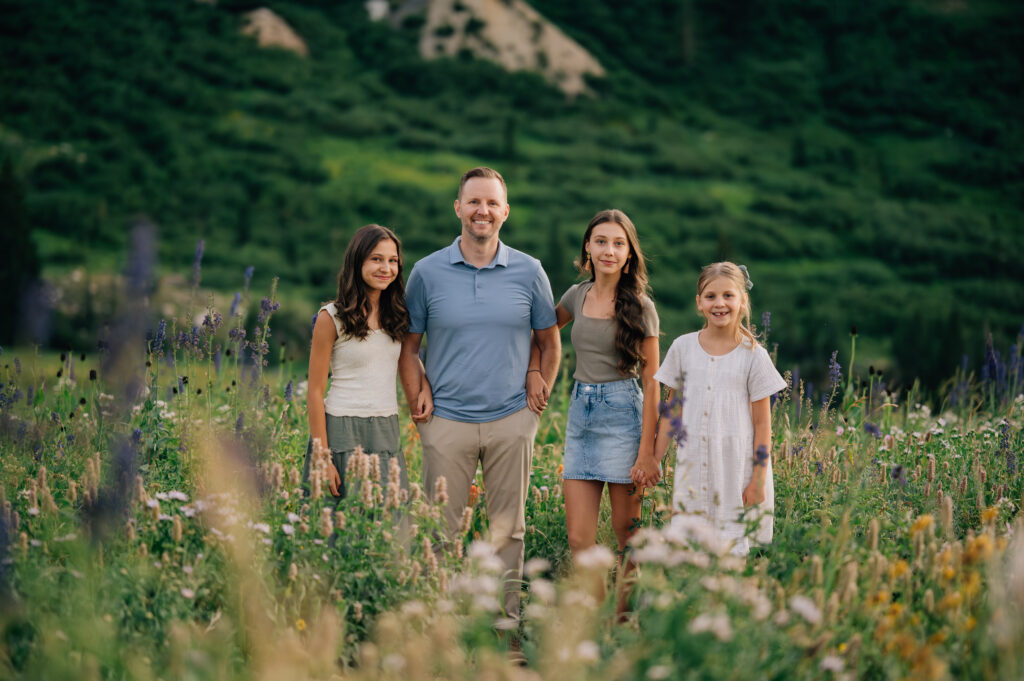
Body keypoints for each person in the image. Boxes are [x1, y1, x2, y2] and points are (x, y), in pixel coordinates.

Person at [399, 167, 560, 622]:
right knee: (439, 530)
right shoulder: (426, 273)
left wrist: (535, 388)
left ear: (505, 211)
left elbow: (549, 341)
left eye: (491, 203)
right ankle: (441, 625)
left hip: (512, 418)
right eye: (473, 202)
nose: (482, 211)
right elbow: (408, 348)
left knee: (509, 532)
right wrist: (418, 396)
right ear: (458, 208)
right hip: (445, 420)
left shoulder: (530, 271)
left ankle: (506, 628)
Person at [539, 209, 659, 613]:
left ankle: (623, 625)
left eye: (618, 243)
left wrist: (647, 452)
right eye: (601, 241)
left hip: (625, 415)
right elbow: (541, 331)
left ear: (629, 255)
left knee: (628, 537)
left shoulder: (641, 307)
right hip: (581, 415)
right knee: (580, 541)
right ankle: (603, 619)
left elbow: (652, 382)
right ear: (587, 248)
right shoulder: (577, 294)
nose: (609, 250)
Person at [647, 262, 787, 556]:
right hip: (693, 468)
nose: (719, 303)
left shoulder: (754, 357)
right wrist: (654, 459)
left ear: (743, 301)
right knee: (689, 553)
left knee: (731, 554)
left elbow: (762, 425)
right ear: (699, 303)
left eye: (728, 295)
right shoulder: (683, 348)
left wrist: (758, 480)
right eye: (710, 296)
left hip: (736, 471)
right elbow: (672, 412)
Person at [305, 224, 428, 499]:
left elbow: (409, 360)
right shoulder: (331, 317)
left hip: (386, 431)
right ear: (357, 261)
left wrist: (426, 389)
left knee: (388, 527)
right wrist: (323, 458)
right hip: (341, 432)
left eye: (392, 260)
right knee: (339, 530)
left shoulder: (398, 317)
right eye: (376, 259)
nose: (386, 268)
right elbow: (314, 392)